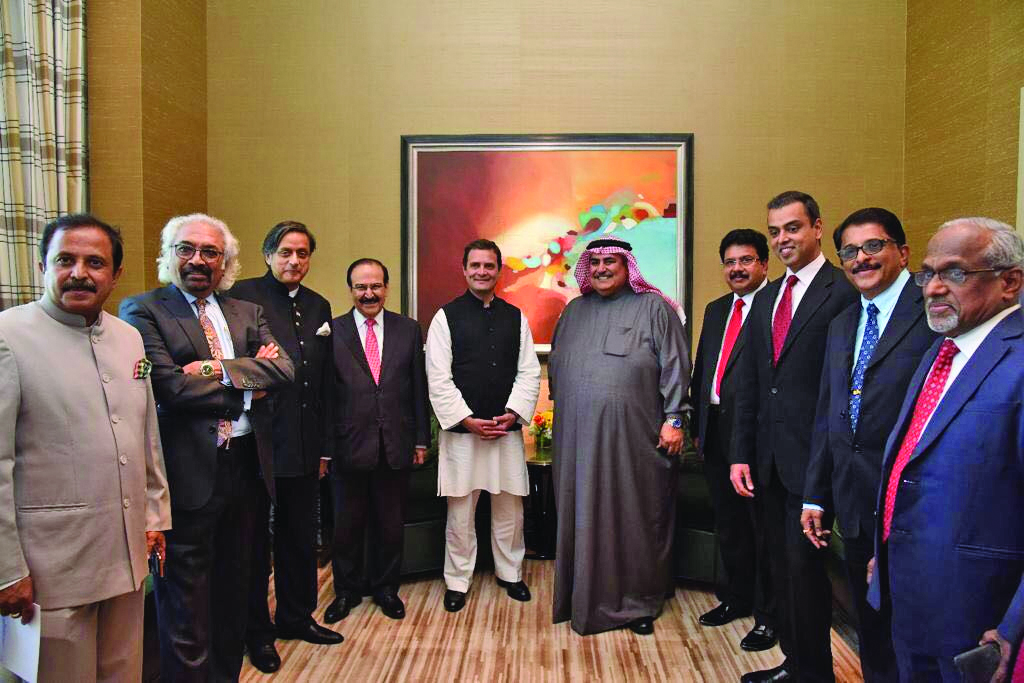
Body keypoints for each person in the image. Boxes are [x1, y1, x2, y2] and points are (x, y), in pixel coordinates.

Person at [120, 213, 294, 682]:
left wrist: (212, 369)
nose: (198, 260)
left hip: (247, 470)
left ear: (225, 263)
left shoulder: (247, 312)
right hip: (187, 476)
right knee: (185, 604)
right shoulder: (143, 310)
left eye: (210, 252)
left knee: (235, 592)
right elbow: (170, 388)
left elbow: (284, 371)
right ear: (169, 255)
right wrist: (247, 384)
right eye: (186, 249)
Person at [0, 214, 171, 681]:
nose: (79, 273)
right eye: (65, 260)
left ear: (115, 275)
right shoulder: (9, 336)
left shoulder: (128, 337)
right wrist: (7, 570)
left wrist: (154, 517)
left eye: (95, 263)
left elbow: (146, 434)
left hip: (126, 555)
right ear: (42, 267)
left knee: (123, 672)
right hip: (51, 570)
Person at [867, 217, 1024, 682]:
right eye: (928, 273)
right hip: (911, 596)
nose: (934, 288)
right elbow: (912, 464)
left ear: (1010, 282)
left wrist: (1015, 625)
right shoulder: (940, 352)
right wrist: (886, 550)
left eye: (955, 273)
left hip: (980, 620)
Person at [800, 208, 937, 683]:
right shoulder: (843, 323)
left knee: (917, 634)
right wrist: (816, 495)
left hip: (915, 503)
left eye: (873, 246)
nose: (861, 259)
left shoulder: (934, 310)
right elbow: (828, 412)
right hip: (856, 500)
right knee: (873, 629)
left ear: (903, 251)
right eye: (850, 252)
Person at [730, 191, 859, 683]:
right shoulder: (766, 298)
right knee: (783, 572)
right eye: (775, 231)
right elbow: (751, 384)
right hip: (767, 464)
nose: (783, 239)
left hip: (816, 465)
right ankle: (795, 664)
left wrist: (824, 469)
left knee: (806, 576)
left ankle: (814, 674)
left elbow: (843, 388)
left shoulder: (843, 291)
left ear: (817, 228)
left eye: (793, 227)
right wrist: (740, 453)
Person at [548, 236, 691, 636]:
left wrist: (675, 418)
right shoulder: (573, 311)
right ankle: (581, 595)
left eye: (610, 261)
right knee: (580, 513)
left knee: (634, 516)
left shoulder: (654, 308)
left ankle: (636, 602)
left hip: (635, 441)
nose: (601, 269)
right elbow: (560, 370)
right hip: (576, 441)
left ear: (628, 267)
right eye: (594, 263)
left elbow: (676, 365)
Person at [229, 221, 341, 673]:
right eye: (285, 252)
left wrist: (325, 448)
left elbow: (325, 382)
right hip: (258, 442)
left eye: (302, 253)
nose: (294, 261)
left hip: (305, 442)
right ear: (268, 255)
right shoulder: (241, 298)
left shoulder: (318, 305)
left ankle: (296, 616)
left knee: (300, 537)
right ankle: (256, 632)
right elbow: (233, 367)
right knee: (256, 543)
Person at [425, 239, 541, 613]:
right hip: (463, 433)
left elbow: (529, 371)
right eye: (475, 265)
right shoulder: (445, 317)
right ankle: (458, 580)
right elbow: (438, 377)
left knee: (510, 510)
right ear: (464, 269)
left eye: (489, 265)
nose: (481, 271)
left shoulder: (516, 317)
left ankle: (510, 573)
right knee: (461, 514)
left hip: (504, 431)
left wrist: (513, 412)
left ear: (498, 271)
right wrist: (466, 419)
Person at [323, 258, 430, 623]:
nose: (368, 294)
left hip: (395, 444)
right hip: (347, 445)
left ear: (386, 288)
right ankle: (346, 591)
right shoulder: (332, 331)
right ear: (350, 290)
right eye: (360, 287)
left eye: (375, 286)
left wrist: (421, 440)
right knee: (346, 526)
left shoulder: (408, 329)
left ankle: (386, 589)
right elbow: (326, 395)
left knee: (389, 524)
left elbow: (418, 388)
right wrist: (325, 449)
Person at [690, 229, 776, 650]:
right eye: (730, 262)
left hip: (758, 437)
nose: (737, 269)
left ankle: (768, 616)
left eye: (746, 260)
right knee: (729, 525)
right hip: (716, 432)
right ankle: (736, 598)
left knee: (762, 529)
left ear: (764, 264)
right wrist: (697, 426)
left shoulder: (777, 307)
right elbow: (703, 368)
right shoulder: (717, 309)